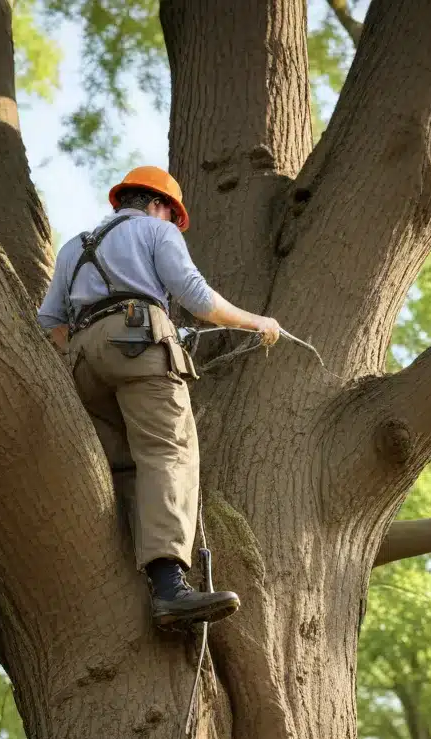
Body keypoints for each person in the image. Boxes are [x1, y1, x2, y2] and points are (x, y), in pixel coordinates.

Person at [37, 166, 279, 629]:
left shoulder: (76, 246)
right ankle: (169, 587)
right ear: (158, 205)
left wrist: (92, 348)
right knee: (170, 452)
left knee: (125, 465)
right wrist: (256, 322)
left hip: (84, 362)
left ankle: (125, 581)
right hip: (139, 344)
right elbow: (196, 297)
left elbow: (50, 321)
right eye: (171, 214)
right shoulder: (156, 231)